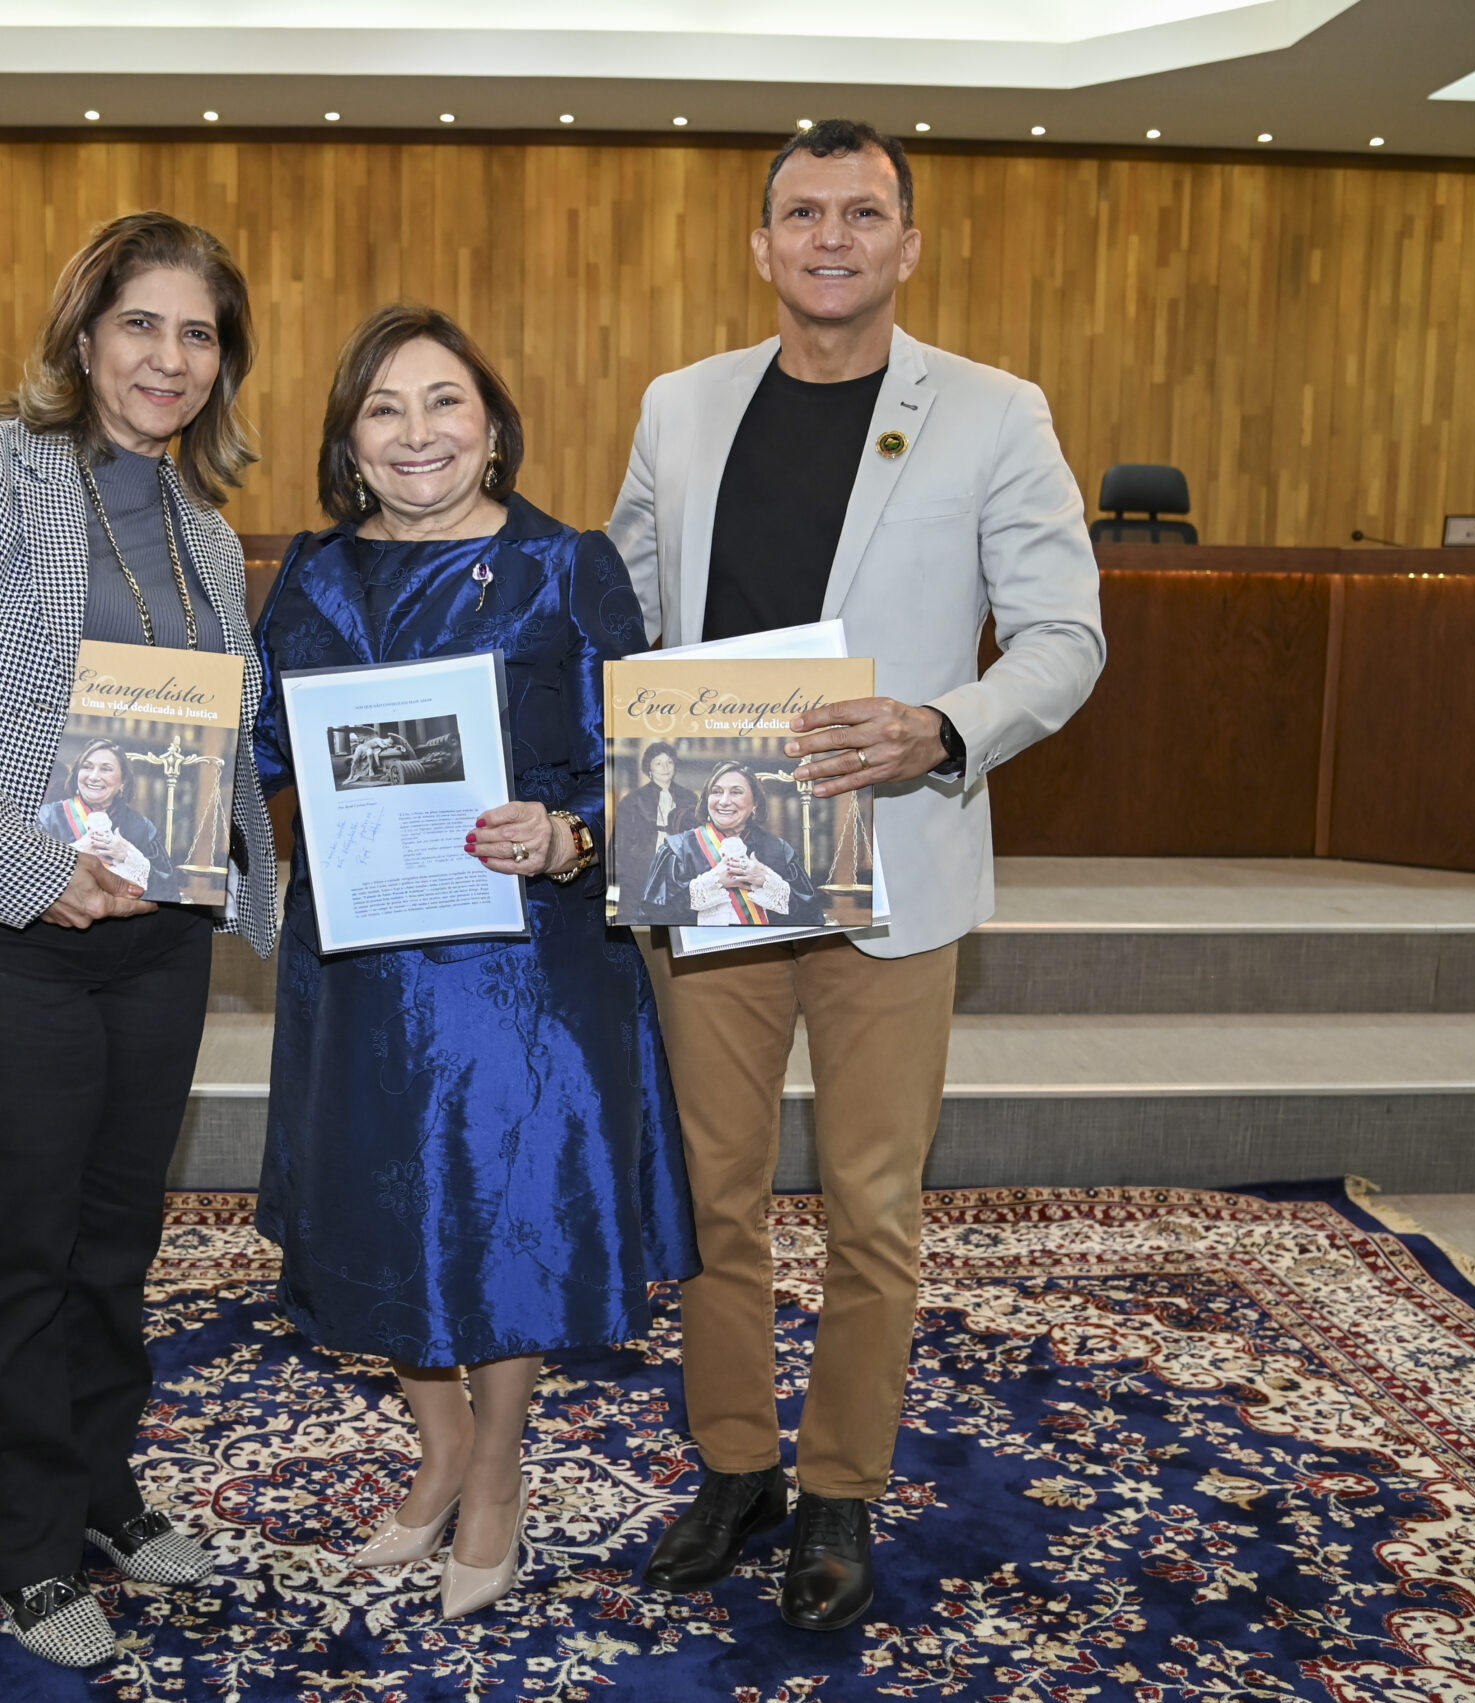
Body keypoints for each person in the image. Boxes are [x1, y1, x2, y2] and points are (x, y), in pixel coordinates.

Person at [607, 120, 1105, 1630]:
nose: (833, 237)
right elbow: (620, 607)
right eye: (805, 212)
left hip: (894, 856)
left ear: (907, 244)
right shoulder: (681, 406)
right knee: (715, 1192)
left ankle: (839, 1484)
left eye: (864, 213)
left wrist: (941, 727)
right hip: (716, 859)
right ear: (761, 244)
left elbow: (1065, 636)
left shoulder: (996, 412)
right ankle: (736, 1464)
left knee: (874, 1203)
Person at [0, 210, 279, 1670]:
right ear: (83, 336)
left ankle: (100, 1487)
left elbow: (219, 729)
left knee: (116, 1237)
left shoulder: (207, 533)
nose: (169, 357)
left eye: (198, 333)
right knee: (20, 1243)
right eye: (142, 323)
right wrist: (30, 868)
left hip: (155, 937)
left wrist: (236, 859)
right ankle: (20, 1540)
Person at [253, 303, 697, 1620]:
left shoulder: (568, 566)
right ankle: (440, 1446)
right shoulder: (310, 575)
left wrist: (567, 834)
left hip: (522, 966)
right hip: (358, 964)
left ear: (492, 425)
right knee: (384, 1203)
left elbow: (645, 766)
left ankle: (495, 1476)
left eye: (442, 401)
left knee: (507, 1219)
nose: (416, 433)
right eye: (382, 408)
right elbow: (259, 748)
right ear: (348, 440)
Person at [631, 760, 821, 926]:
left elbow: (811, 917)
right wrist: (713, 882)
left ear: (755, 803)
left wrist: (766, 881)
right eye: (716, 792)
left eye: (736, 792)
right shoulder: (677, 850)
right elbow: (651, 917)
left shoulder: (778, 850)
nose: (723, 801)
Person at [36, 737, 172, 897]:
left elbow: (168, 892)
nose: (94, 776)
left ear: (123, 781)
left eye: (106, 769)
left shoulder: (142, 828)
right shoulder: (47, 817)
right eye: (87, 767)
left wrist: (129, 858)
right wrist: (75, 856)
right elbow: (27, 878)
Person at [610, 740, 700, 891]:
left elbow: (696, 840)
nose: (665, 768)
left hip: (679, 872)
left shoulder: (689, 798)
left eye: (669, 762)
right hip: (641, 871)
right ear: (649, 767)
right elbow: (621, 845)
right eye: (658, 763)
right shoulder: (632, 801)